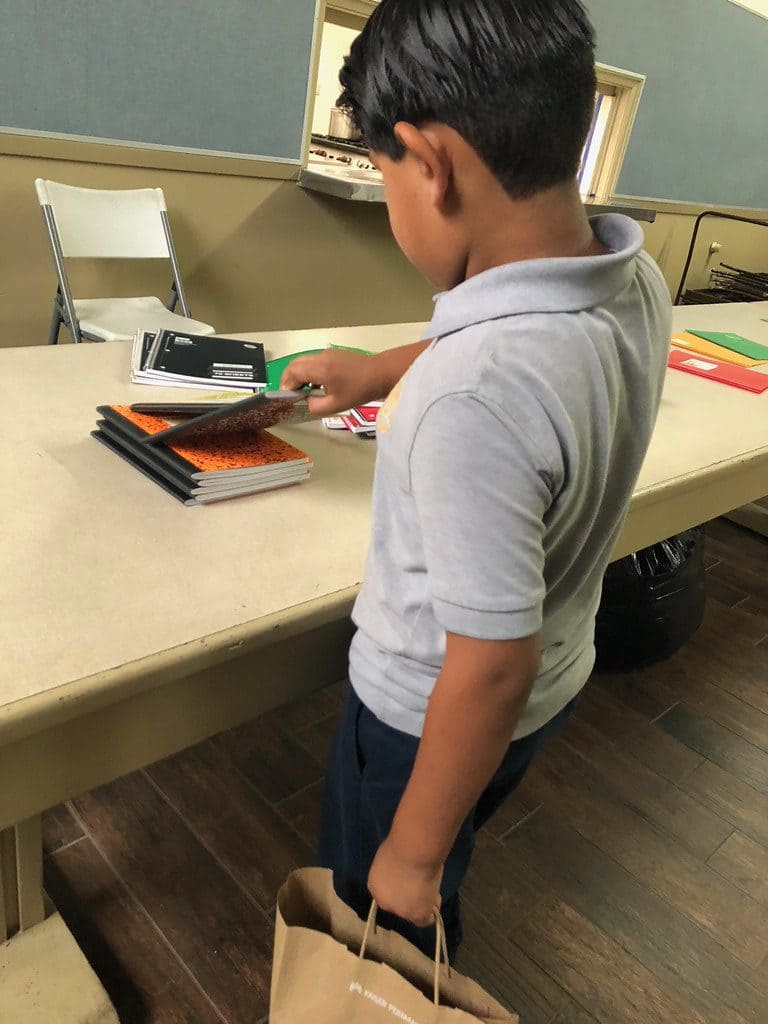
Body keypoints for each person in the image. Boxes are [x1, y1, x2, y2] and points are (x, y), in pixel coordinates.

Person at [281, 0, 671, 962]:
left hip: (424, 719)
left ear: (430, 161)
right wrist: (379, 370)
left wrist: (411, 856)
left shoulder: (471, 395)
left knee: (387, 916)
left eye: (385, 175)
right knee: (446, 846)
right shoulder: (632, 281)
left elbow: (491, 664)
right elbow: (509, 329)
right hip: (551, 688)